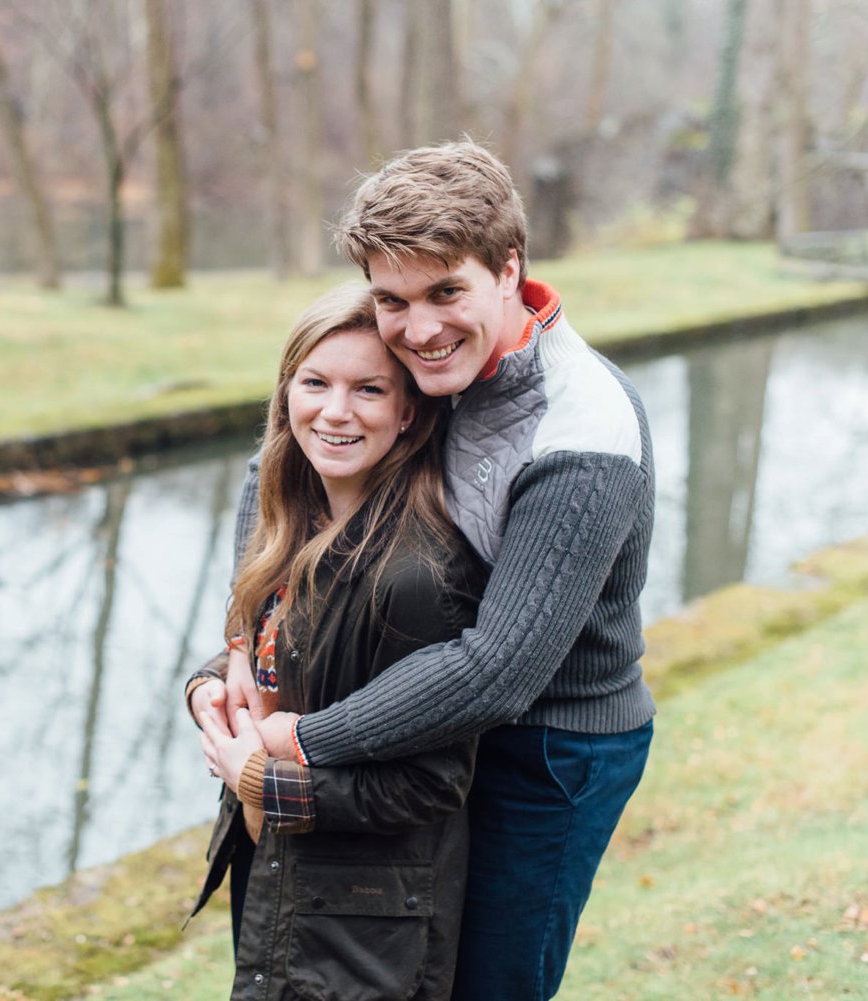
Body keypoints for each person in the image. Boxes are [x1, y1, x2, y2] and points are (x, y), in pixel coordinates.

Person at [190, 140, 656, 1000]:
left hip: (549, 742)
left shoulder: (583, 428)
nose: (421, 326)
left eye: (448, 291)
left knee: (489, 979)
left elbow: (497, 671)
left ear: (509, 269)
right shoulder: (422, 367)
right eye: (393, 298)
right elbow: (290, 460)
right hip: (429, 708)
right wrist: (238, 655)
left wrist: (294, 740)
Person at [188, 284, 486, 999]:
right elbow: (273, 647)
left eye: (369, 389)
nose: (335, 410)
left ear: (408, 411)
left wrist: (260, 779)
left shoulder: (418, 575)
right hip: (282, 876)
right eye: (315, 382)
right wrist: (209, 686)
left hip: (365, 923)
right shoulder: (290, 517)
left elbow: (432, 782)